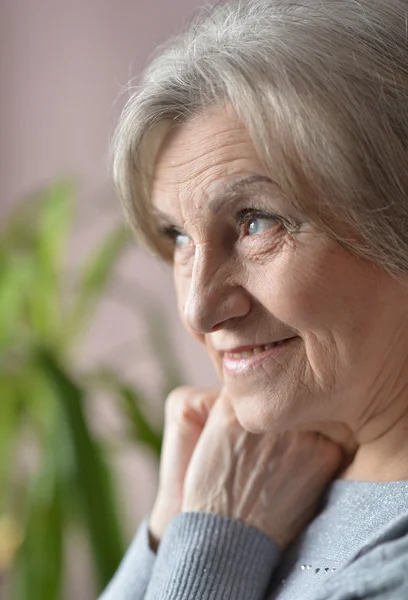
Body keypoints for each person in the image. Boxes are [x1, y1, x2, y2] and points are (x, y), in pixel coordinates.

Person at [100, 1, 408, 598]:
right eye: (179, 237)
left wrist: (213, 540)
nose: (198, 309)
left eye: (256, 222)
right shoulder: (259, 469)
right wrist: (171, 524)